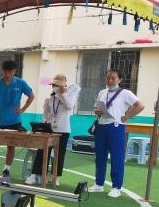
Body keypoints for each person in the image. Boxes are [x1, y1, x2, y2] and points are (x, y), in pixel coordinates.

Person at [88, 69, 144, 198]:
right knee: (100, 157)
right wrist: (97, 111)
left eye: (113, 78)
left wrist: (127, 116)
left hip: (116, 127)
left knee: (117, 158)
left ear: (120, 80)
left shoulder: (126, 93)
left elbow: (140, 105)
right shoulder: (102, 92)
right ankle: (99, 184)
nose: (110, 80)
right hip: (101, 127)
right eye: (108, 78)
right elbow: (96, 107)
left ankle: (116, 187)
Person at [25, 74, 79, 186]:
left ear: (63, 86)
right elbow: (46, 114)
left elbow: (69, 106)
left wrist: (63, 95)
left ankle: (55, 177)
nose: (54, 87)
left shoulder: (69, 96)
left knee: (59, 155)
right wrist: (44, 122)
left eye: (57, 85)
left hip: (63, 130)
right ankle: (35, 174)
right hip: (49, 130)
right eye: (53, 85)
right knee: (42, 152)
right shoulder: (50, 99)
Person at [0, 59, 35, 177]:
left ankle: (6, 169)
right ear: (3, 71)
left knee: (11, 145)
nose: (7, 74)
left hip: (14, 122)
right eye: (5, 72)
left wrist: (23, 109)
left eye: (10, 72)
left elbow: (31, 96)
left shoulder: (21, 83)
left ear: (14, 71)